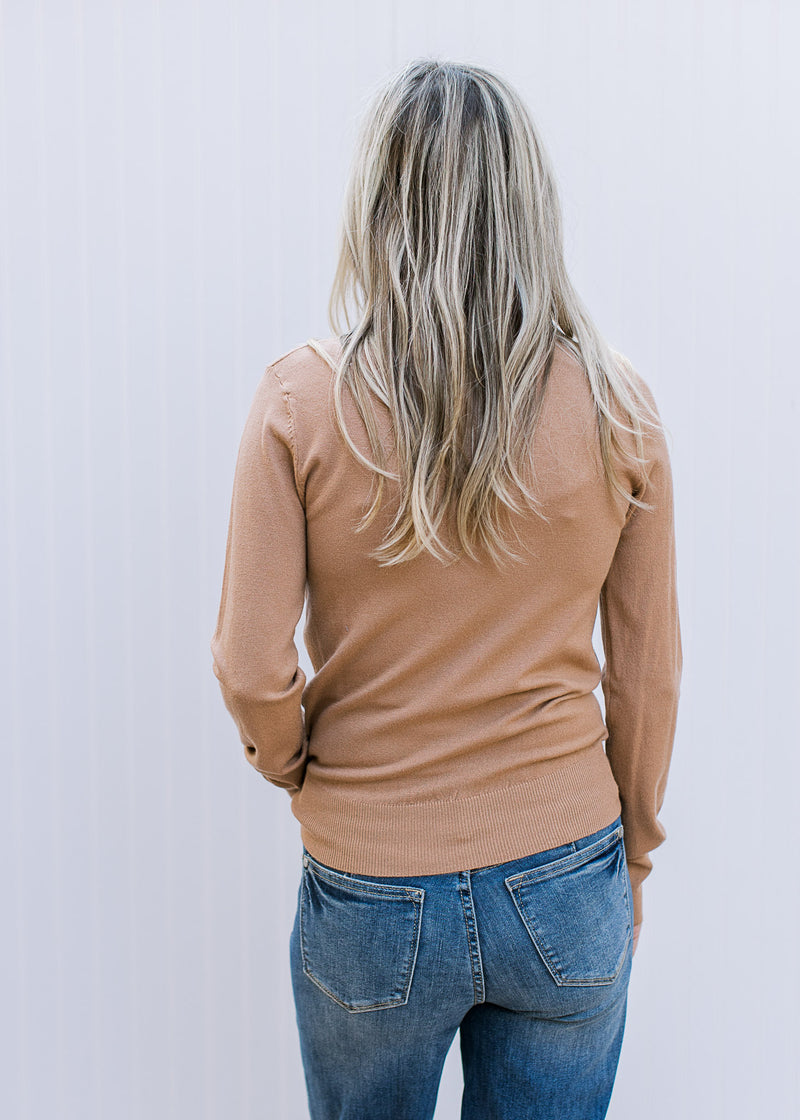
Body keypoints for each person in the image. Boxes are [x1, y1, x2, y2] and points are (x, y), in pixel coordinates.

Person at [210, 56, 682, 1120]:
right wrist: (632, 858)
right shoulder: (620, 410)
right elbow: (647, 677)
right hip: (568, 878)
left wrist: (303, 770)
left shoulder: (300, 401)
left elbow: (248, 664)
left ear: (379, 204)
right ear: (528, 205)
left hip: (369, 883)